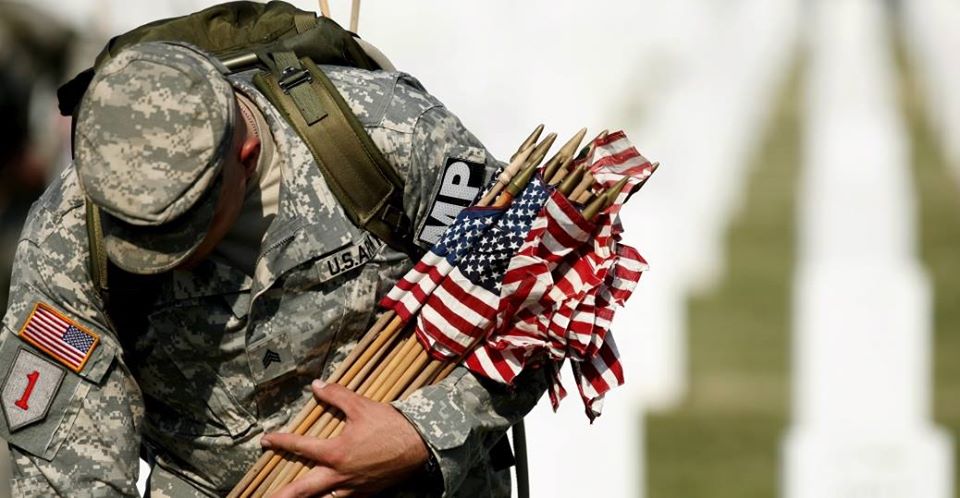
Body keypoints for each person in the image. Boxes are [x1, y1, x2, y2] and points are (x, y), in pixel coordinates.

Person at [0, 41, 549, 497]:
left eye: (182, 231)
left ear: (245, 153)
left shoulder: (390, 135)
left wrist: (419, 434)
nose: (161, 256)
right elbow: (63, 468)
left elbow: (540, 297)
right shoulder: (70, 236)